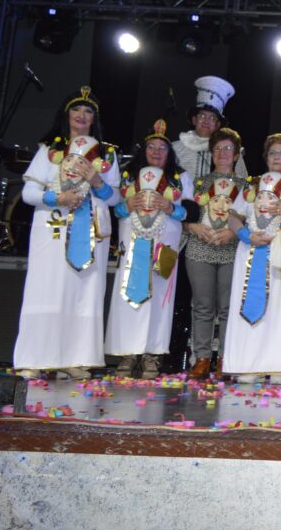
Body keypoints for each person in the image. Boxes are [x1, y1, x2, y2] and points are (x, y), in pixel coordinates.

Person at [13, 87, 120, 380]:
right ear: (67, 115)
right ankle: (33, 358)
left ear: (94, 118)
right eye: (77, 110)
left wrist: (96, 180)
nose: (82, 116)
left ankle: (75, 358)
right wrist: (57, 199)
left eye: (88, 112)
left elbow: (114, 199)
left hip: (91, 232)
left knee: (82, 293)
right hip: (53, 229)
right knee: (47, 289)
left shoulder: (106, 153)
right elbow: (29, 193)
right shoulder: (49, 152)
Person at [106, 120, 193, 379]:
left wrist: (169, 208)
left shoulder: (180, 178)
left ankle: (152, 355)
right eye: (151, 147)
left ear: (170, 152)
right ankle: (127, 354)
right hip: (132, 243)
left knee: (160, 299)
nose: (156, 152)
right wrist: (129, 204)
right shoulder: (128, 175)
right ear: (143, 150)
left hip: (164, 246)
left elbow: (189, 212)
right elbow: (116, 210)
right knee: (128, 295)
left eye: (162, 148)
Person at [223, 133, 281, 384]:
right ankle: (247, 364)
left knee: (280, 309)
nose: (277, 157)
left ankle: (279, 365)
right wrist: (246, 235)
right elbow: (233, 216)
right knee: (248, 299)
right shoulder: (251, 185)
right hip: (250, 251)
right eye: (272, 153)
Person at [184, 127, 244, 380]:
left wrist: (235, 233)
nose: (223, 153)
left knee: (229, 309)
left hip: (233, 252)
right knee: (202, 307)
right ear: (211, 152)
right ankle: (202, 357)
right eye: (218, 148)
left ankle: (227, 359)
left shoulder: (247, 186)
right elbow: (184, 217)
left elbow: (253, 219)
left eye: (228, 148)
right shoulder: (198, 182)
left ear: (237, 154)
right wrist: (193, 227)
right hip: (200, 250)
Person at [172, 75, 247, 179]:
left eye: (212, 118)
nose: (206, 121)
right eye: (202, 116)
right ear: (194, 120)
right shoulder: (174, 149)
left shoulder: (232, 152)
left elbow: (244, 185)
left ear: (218, 125)